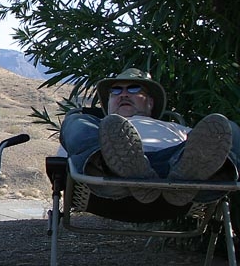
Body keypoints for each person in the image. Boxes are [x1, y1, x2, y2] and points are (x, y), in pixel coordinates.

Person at [60, 67, 240, 206]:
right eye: (115, 91)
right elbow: (62, 161)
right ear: (108, 103)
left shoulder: (177, 127)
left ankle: (182, 181)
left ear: (151, 102)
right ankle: (112, 166)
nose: (123, 94)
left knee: (226, 128)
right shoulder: (92, 127)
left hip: (177, 166)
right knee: (75, 119)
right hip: (108, 171)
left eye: (133, 88)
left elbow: (209, 148)